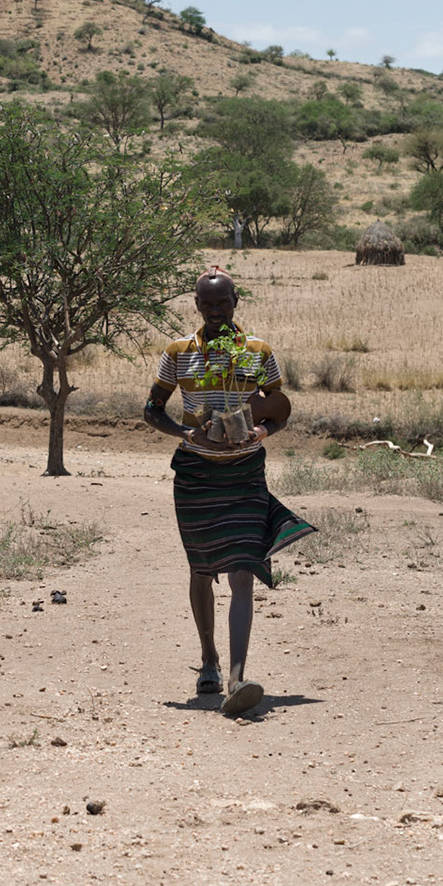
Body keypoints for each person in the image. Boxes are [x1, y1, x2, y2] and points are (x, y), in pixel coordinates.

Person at [143, 268, 315, 718]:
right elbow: (151, 409)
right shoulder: (179, 352)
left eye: (223, 303)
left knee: (242, 570)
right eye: (207, 304)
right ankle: (209, 661)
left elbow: (279, 408)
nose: (216, 311)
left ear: (236, 302)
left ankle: (237, 677)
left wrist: (259, 431)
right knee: (202, 569)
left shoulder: (258, 352)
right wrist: (187, 434)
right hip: (197, 475)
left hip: (243, 473)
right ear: (197, 304)